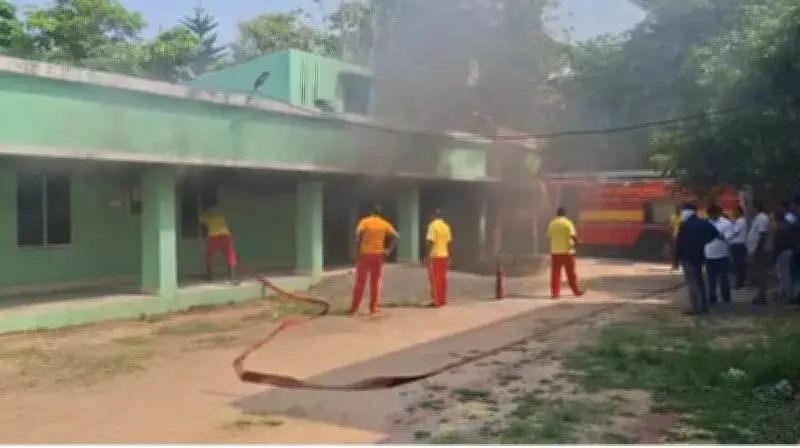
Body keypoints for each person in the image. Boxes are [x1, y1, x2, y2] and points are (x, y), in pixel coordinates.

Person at [349, 206, 399, 317]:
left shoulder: (365, 222)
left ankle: (354, 309)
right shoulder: (384, 223)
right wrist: (388, 250)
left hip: (365, 254)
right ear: (380, 214)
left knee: (360, 282)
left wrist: (357, 246)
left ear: (371, 212)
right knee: (376, 282)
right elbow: (396, 236)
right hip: (378, 255)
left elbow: (357, 234)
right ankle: (374, 309)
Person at [675, 202, 719, 315]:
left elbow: (678, 243)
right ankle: (704, 306)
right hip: (700, 255)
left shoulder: (684, 225)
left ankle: (695, 308)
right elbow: (715, 233)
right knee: (700, 282)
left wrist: (676, 260)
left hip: (687, 257)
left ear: (687, 212)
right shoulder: (703, 222)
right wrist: (705, 241)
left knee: (691, 283)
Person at [546, 206, 585, 299]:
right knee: (571, 273)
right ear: (565, 214)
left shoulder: (552, 223)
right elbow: (573, 236)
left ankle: (555, 293)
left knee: (555, 274)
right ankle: (576, 292)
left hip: (555, 252)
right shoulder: (568, 223)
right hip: (568, 252)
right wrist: (578, 242)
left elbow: (549, 236)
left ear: (557, 214)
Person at [199, 206, 240, 285]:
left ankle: (230, 278)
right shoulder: (217, 216)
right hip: (221, 236)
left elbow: (200, 221)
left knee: (226, 256)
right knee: (214, 256)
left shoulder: (208, 217)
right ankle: (230, 278)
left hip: (218, 236)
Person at [704, 204, 732, 306]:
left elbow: (728, 237)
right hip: (709, 254)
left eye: (712, 214)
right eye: (709, 215)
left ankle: (726, 296)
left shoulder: (726, 223)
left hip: (722, 254)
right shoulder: (706, 223)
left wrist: (717, 234)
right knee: (711, 278)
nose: (711, 217)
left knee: (723, 277)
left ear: (718, 213)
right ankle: (712, 297)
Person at [425, 208, 453, 308]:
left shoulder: (432, 226)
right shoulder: (446, 227)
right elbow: (449, 243)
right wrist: (450, 255)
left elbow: (430, 241)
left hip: (435, 255)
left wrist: (427, 254)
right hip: (444, 255)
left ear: (433, 216)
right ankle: (442, 300)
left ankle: (436, 301)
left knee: (434, 279)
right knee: (443, 278)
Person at [747, 202, 771, 305]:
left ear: (756, 208)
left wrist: (758, 249)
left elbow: (762, 234)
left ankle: (761, 296)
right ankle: (760, 295)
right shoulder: (757, 218)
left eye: (751, 207)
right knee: (758, 273)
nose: (749, 210)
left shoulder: (762, 218)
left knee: (761, 274)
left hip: (759, 251)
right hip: (755, 249)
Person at [773, 209, 795, 301]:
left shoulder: (780, 228)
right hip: (789, 250)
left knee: (784, 275)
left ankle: (788, 295)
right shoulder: (788, 226)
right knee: (786, 274)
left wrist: (775, 254)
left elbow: (778, 243)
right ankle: (786, 292)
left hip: (783, 252)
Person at [728, 205, 748, 289]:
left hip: (738, 245)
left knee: (738, 265)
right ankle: (740, 282)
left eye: (734, 211)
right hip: (740, 245)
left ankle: (739, 283)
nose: (733, 213)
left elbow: (734, 232)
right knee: (740, 265)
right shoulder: (741, 221)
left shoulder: (740, 221)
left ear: (739, 212)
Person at [669, 204, 682, 270]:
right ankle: (675, 265)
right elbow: (671, 227)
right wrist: (672, 236)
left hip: (683, 236)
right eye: (677, 208)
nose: (678, 210)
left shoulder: (683, 217)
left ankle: (681, 264)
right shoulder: (673, 217)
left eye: (679, 208)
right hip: (676, 235)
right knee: (675, 251)